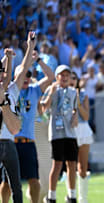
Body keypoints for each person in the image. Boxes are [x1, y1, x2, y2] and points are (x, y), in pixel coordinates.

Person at [0, 50, 55, 203]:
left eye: (29, 75)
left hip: (28, 142)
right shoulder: (9, 90)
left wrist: (38, 60)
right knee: (6, 182)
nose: (27, 78)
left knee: (34, 180)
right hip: (11, 141)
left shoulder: (34, 90)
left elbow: (51, 78)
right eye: (25, 74)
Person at [0, 32, 36, 203]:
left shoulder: (13, 90)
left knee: (16, 185)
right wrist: (7, 60)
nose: (2, 76)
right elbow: (6, 77)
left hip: (9, 141)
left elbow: (21, 71)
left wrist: (30, 47)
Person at [41, 65, 79, 203]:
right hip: (56, 133)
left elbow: (74, 109)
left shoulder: (73, 92)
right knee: (57, 164)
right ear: (57, 77)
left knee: (72, 164)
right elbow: (44, 108)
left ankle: (72, 195)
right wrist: (51, 92)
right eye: (62, 75)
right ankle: (51, 196)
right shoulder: (51, 90)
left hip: (70, 133)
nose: (64, 78)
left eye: (67, 75)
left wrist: (75, 115)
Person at [69, 71, 94, 203]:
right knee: (70, 167)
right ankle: (71, 196)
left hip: (83, 131)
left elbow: (86, 117)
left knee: (82, 167)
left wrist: (77, 102)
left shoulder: (83, 95)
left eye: (74, 78)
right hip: (69, 131)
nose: (72, 80)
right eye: (69, 78)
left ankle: (83, 199)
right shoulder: (62, 94)